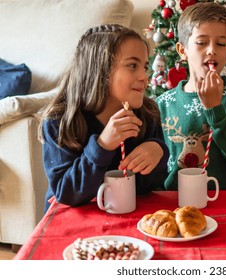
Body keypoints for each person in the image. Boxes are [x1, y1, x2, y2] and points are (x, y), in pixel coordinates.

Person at [38, 24, 168, 212]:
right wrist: (102, 146)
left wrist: (158, 152)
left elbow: (145, 188)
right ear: (101, 71)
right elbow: (66, 193)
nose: (144, 76)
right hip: (73, 224)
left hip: (128, 219)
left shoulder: (147, 114)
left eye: (145, 67)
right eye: (132, 66)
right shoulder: (60, 121)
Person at [156, 2, 226, 190]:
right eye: (201, 42)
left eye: (220, 44)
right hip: (175, 203)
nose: (212, 50)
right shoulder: (163, 103)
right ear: (183, 51)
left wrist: (216, 111)